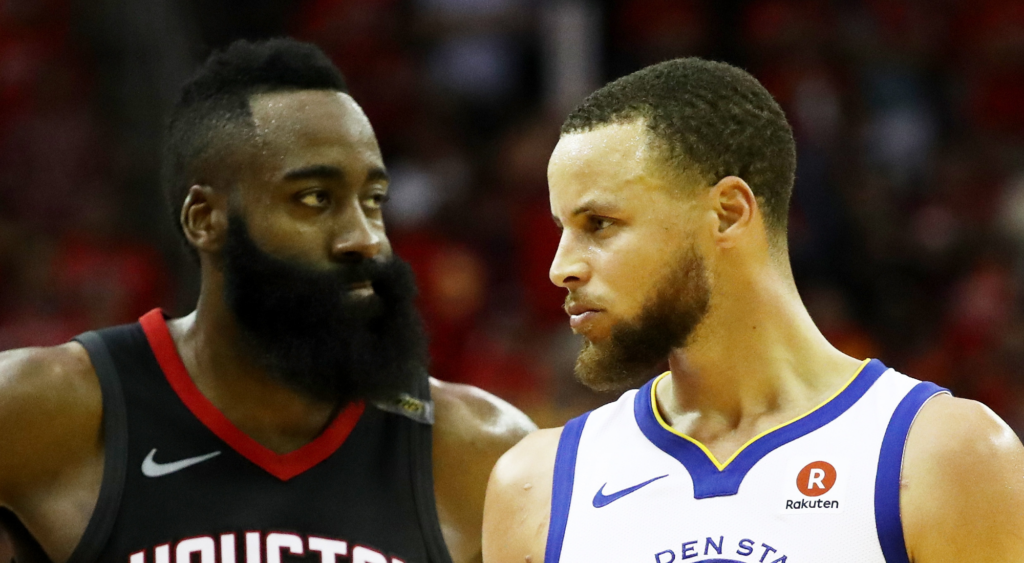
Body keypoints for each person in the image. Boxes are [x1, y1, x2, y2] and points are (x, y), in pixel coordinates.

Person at [0, 38, 535, 563]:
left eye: (373, 201)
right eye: (314, 199)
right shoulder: (42, 411)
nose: (365, 238)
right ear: (204, 218)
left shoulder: (481, 453)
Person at [482, 58, 1024, 563]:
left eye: (598, 224)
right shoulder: (538, 484)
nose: (560, 268)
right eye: (561, 230)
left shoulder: (943, 456)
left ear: (727, 213)